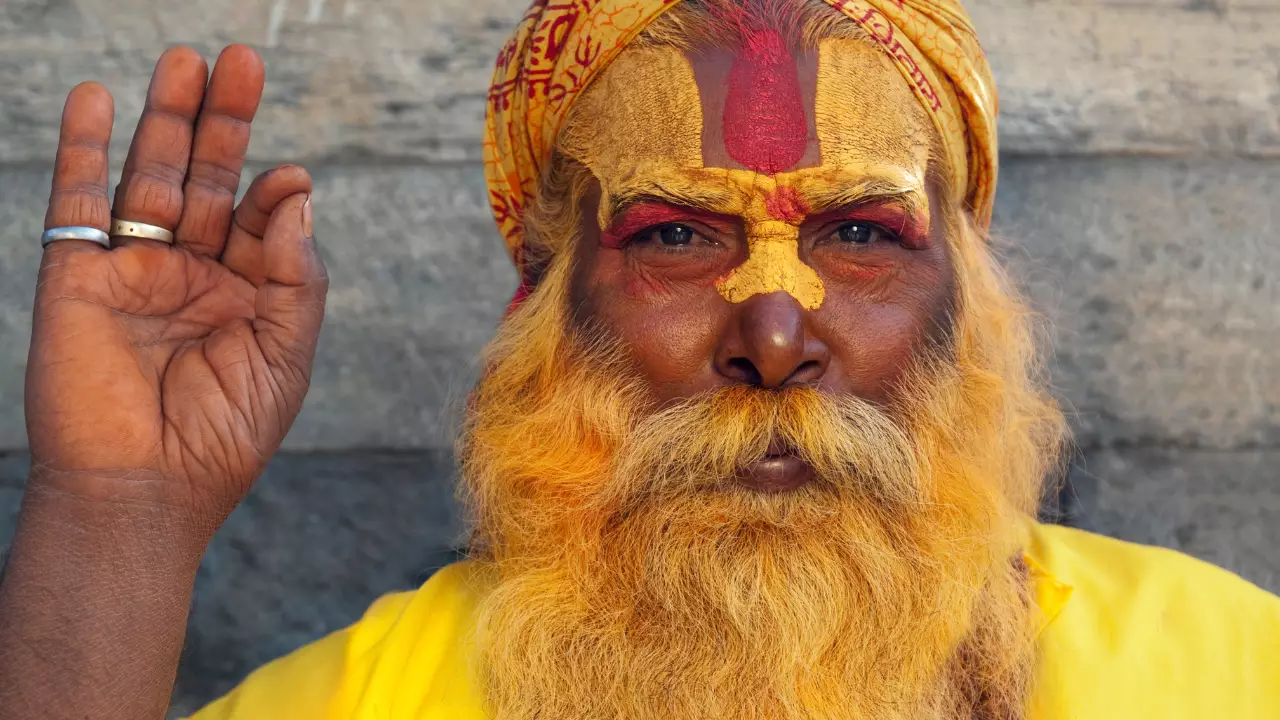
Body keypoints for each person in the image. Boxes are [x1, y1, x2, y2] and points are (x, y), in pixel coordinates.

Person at [1, 0, 1277, 718]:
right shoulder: (380, 697)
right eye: (671, 235)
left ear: (974, 308)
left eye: (859, 233)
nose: (774, 336)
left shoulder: (1227, 671)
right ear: (547, 309)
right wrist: (118, 514)